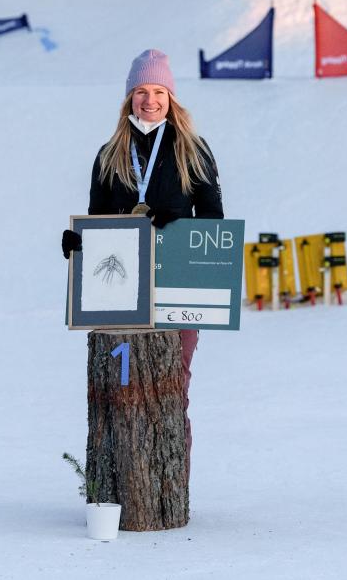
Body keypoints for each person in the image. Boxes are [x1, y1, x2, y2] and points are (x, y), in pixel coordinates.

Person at [62, 49, 223, 474]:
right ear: (128, 98)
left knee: (172, 388)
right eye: (140, 91)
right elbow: (96, 222)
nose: (149, 100)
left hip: (177, 289)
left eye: (158, 91)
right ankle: (124, 485)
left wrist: (177, 226)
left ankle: (171, 485)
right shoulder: (111, 153)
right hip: (121, 295)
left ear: (171, 97)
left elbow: (214, 223)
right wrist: (76, 243)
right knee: (122, 389)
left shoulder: (193, 150)